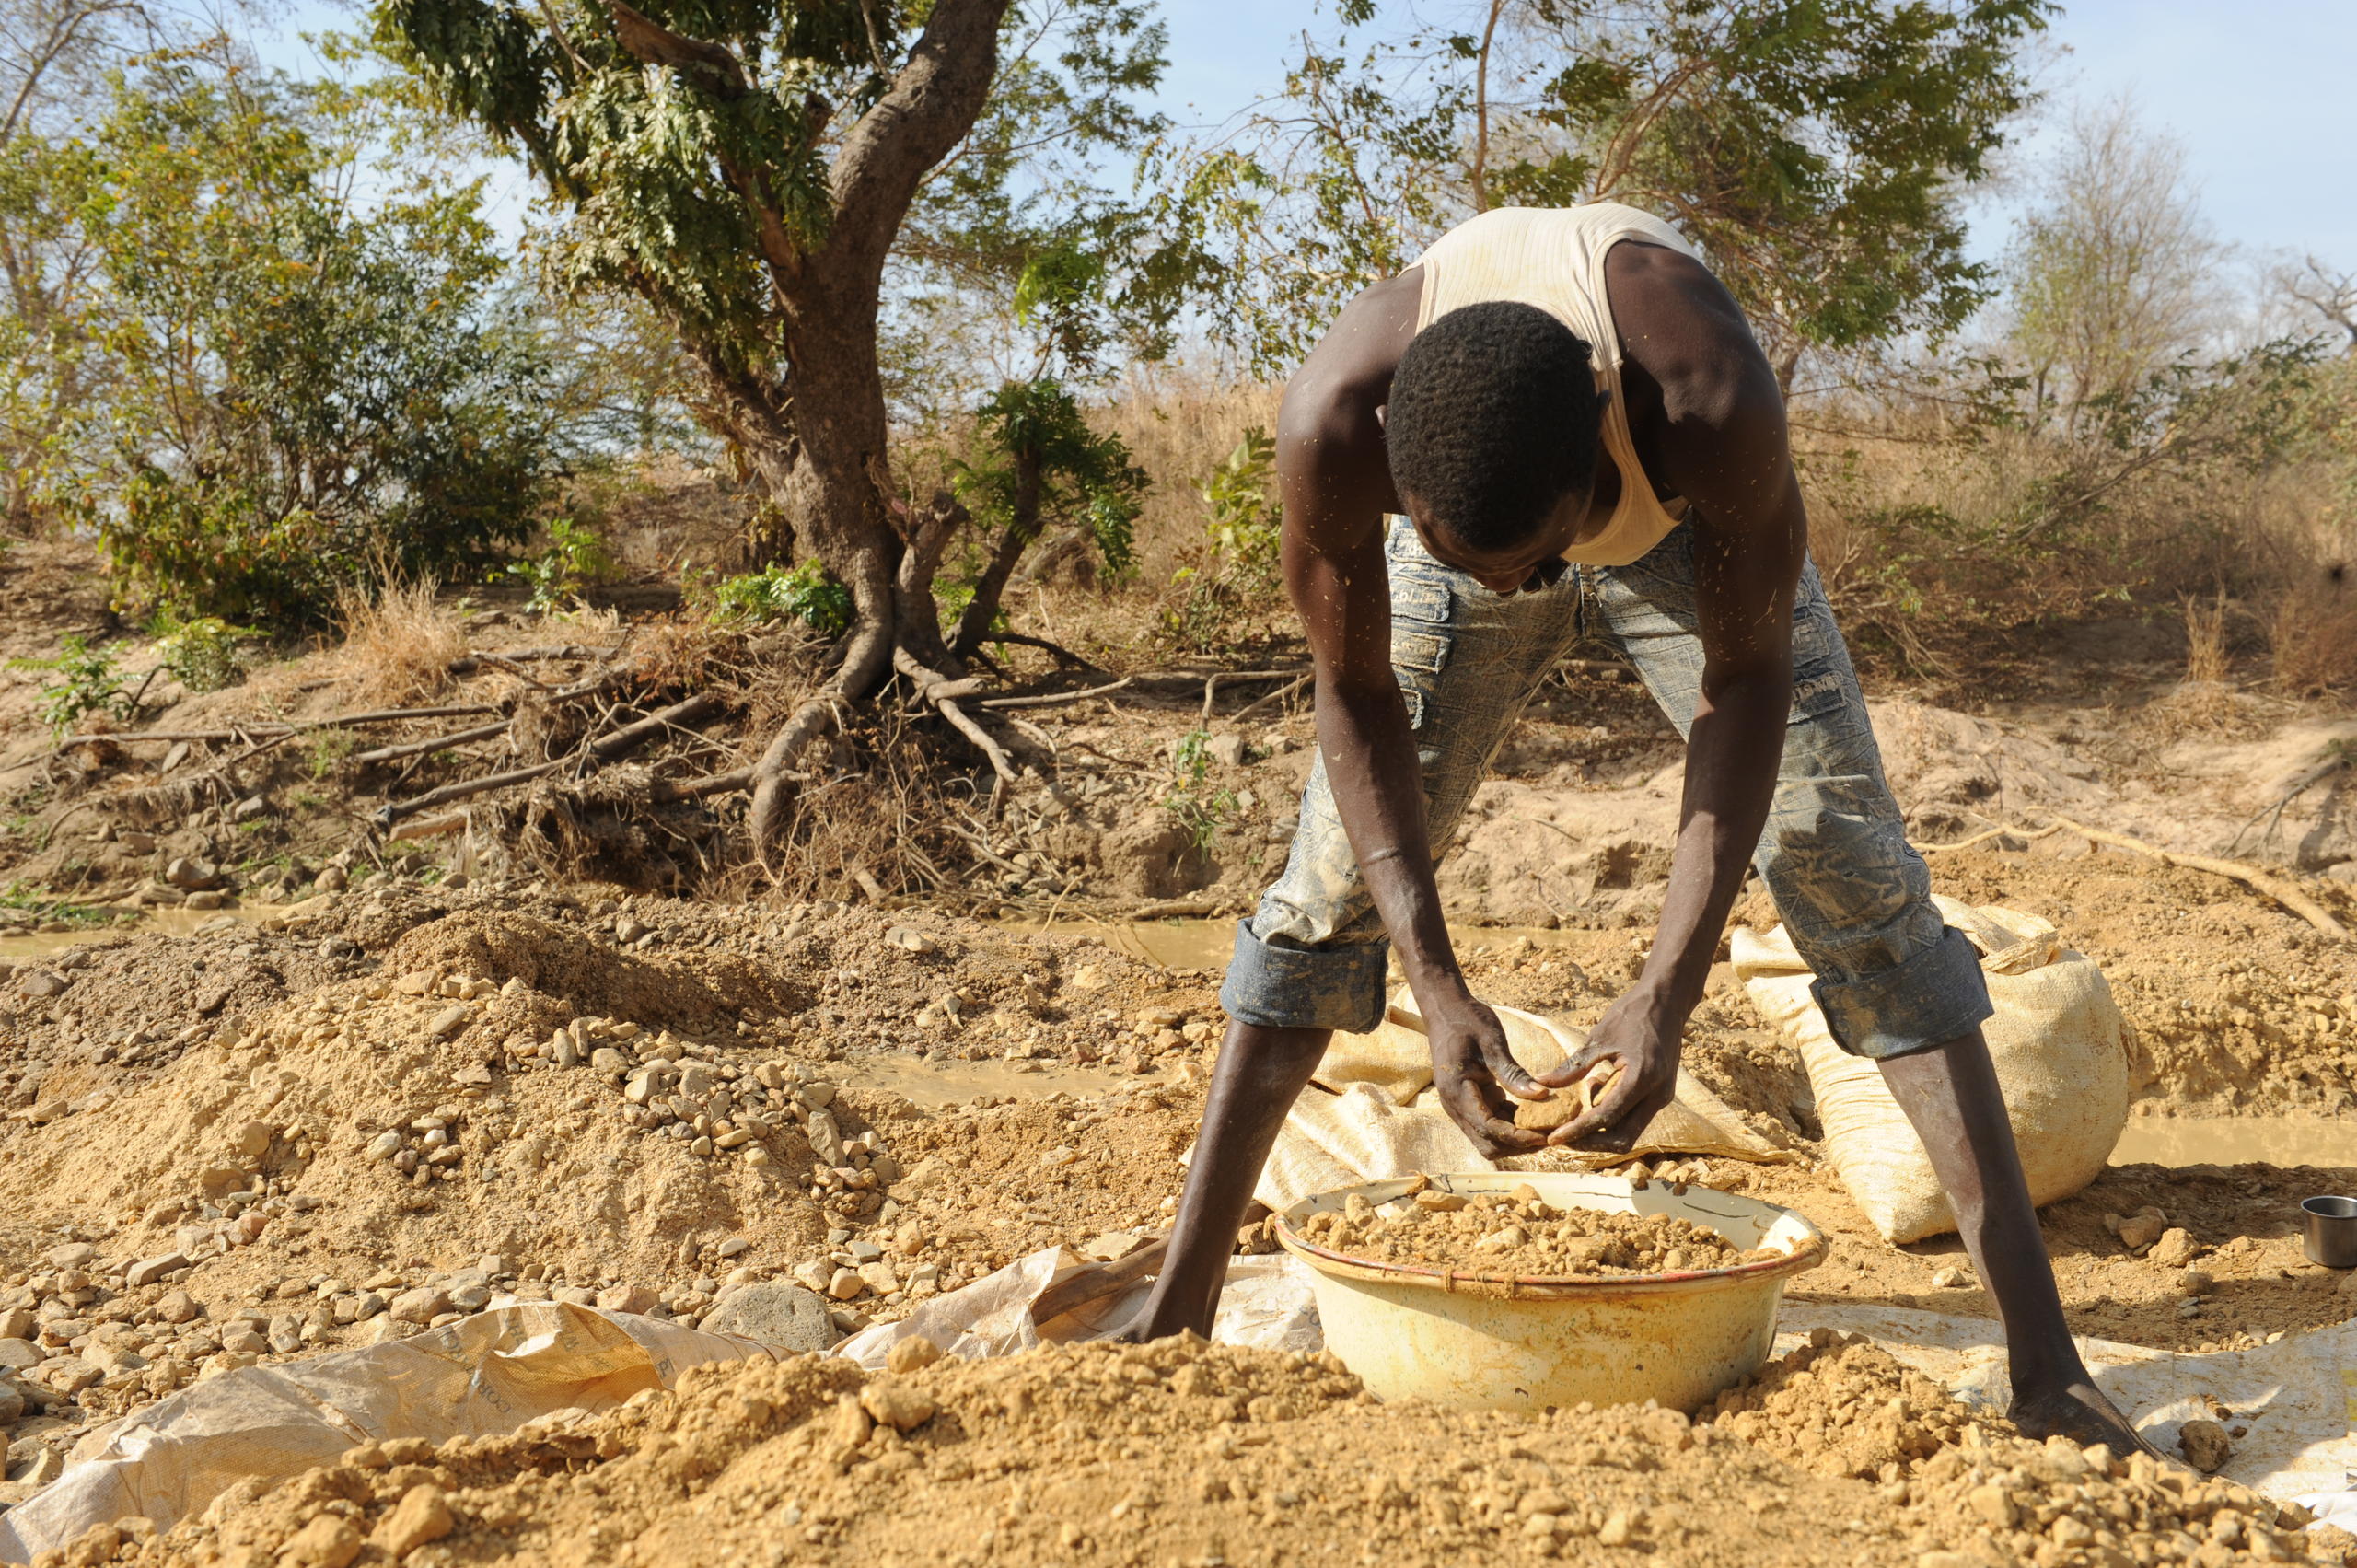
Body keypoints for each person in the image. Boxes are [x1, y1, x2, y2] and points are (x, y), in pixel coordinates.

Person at [1119, 203, 2144, 1451]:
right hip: (1495, 502)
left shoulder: (1707, 406)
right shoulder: (1337, 429)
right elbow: (1358, 696)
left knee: (1845, 858)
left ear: (1600, 443)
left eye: (1532, 562)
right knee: (1328, 883)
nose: (1510, 595)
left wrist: (1668, 994)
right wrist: (1434, 991)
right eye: (1467, 557)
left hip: (1676, 529)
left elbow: (1747, 686)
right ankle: (1177, 1311)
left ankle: (2048, 1366)